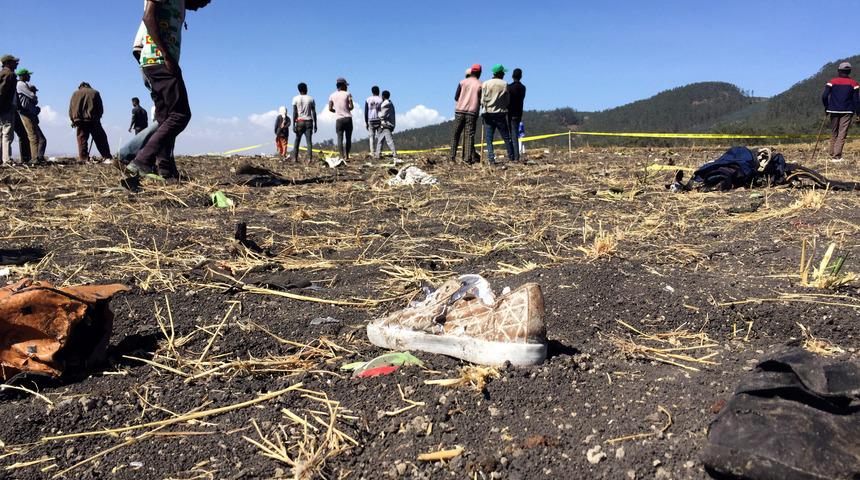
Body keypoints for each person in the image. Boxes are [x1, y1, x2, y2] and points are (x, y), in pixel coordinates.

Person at [126, 0, 211, 180]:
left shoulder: (179, 3)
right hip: (159, 60)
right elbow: (148, 17)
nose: (204, 4)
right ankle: (141, 160)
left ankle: (166, 170)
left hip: (157, 62)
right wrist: (166, 55)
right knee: (181, 114)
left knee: (164, 118)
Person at [822, 61, 860, 161]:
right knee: (842, 133)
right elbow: (856, 100)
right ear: (849, 71)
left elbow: (824, 96)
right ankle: (836, 156)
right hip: (847, 111)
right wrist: (858, 114)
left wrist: (826, 106)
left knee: (834, 132)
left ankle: (832, 153)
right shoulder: (854, 84)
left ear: (839, 71)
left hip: (833, 110)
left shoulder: (832, 82)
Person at [69, 82, 113, 162]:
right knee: (101, 139)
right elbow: (100, 108)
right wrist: (98, 117)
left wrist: (73, 120)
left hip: (79, 120)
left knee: (82, 140)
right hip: (93, 119)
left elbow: (71, 109)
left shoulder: (75, 93)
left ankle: (83, 158)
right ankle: (107, 156)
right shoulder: (95, 92)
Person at [481, 64, 515, 165]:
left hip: (488, 113)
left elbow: (482, 100)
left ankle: (491, 158)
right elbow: (507, 101)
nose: (504, 74)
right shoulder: (504, 84)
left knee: (489, 138)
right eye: (503, 72)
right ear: (500, 73)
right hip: (500, 113)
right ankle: (511, 157)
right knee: (506, 137)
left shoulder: (486, 83)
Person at [450, 64, 482, 164]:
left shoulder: (462, 82)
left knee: (456, 134)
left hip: (460, 111)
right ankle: (467, 160)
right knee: (469, 136)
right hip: (472, 113)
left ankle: (452, 157)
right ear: (480, 73)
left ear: (471, 72)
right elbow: (481, 99)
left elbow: (456, 97)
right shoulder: (480, 84)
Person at [15, 68, 46, 164]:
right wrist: (33, 96)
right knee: (33, 137)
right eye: (28, 75)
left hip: (29, 113)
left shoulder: (23, 85)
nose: (29, 76)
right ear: (23, 75)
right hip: (26, 113)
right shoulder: (21, 84)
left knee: (40, 139)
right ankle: (35, 159)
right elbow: (33, 97)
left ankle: (37, 158)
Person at [328, 78, 354, 160]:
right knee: (348, 138)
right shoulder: (348, 94)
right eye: (346, 85)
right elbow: (351, 106)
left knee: (340, 138)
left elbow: (330, 108)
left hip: (339, 120)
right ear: (343, 85)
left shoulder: (332, 95)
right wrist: (346, 109)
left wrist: (336, 111)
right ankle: (347, 156)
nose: (347, 87)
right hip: (348, 118)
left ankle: (341, 156)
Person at [0, 54, 19, 166]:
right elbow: (2, 92)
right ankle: (6, 159)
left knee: (1, 133)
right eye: (13, 62)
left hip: (3, 108)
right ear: (7, 63)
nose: (16, 63)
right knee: (7, 133)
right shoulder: (9, 74)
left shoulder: (2, 73)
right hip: (6, 108)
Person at [291, 82, 317, 163]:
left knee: (297, 140)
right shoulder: (311, 99)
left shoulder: (295, 99)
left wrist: (293, 124)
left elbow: (294, 112)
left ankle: (295, 158)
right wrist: (315, 124)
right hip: (309, 121)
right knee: (309, 141)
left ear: (299, 90)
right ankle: (309, 159)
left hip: (300, 122)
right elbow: (314, 112)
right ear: (306, 89)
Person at [507, 68, 526, 162]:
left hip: (510, 114)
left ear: (512, 76)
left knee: (512, 135)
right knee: (515, 134)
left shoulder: (509, 87)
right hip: (519, 114)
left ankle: (515, 157)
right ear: (521, 76)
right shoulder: (523, 88)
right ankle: (514, 155)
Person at [375, 90, 397, 161]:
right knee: (381, 140)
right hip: (386, 125)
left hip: (386, 125)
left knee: (388, 140)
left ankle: (394, 154)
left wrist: (377, 111)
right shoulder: (389, 103)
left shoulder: (386, 104)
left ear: (383, 96)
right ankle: (378, 155)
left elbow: (382, 115)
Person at [365, 86, 383, 158]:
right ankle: (378, 153)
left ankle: (372, 153)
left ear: (372, 92)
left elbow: (366, 111)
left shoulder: (368, 99)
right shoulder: (381, 99)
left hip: (371, 119)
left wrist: (366, 122)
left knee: (371, 137)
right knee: (379, 137)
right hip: (379, 119)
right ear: (378, 91)